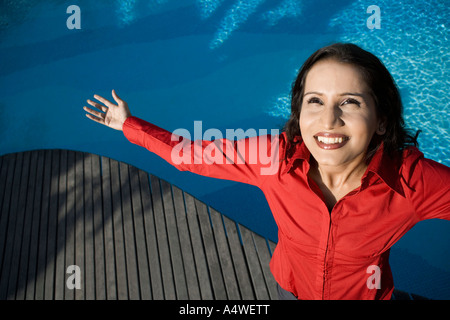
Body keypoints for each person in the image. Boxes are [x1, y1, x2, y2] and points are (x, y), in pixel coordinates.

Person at [83, 43, 450, 300]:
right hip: (288, 291)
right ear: (299, 112)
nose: (328, 121)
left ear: (382, 121)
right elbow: (191, 155)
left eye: (350, 103)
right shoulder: (272, 158)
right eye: (315, 101)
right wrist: (129, 124)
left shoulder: (411, 182)